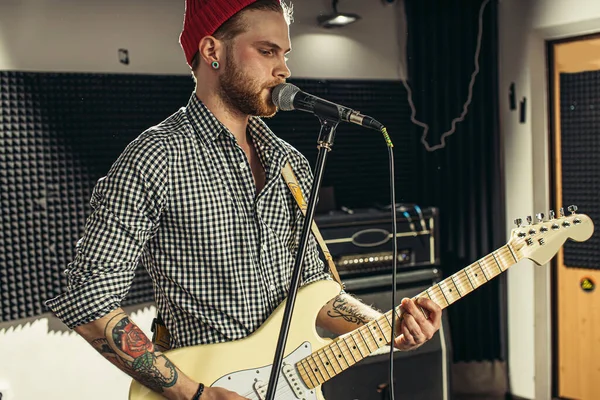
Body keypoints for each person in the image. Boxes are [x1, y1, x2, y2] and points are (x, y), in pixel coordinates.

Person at [45, 1, 443, 399]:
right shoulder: (156, 157)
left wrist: (385, 328)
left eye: (284, 55)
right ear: (212, 51)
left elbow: (311, 285)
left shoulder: (290, 163)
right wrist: (196, 394)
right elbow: (88, 295)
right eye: (267, 51)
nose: (284, 69)